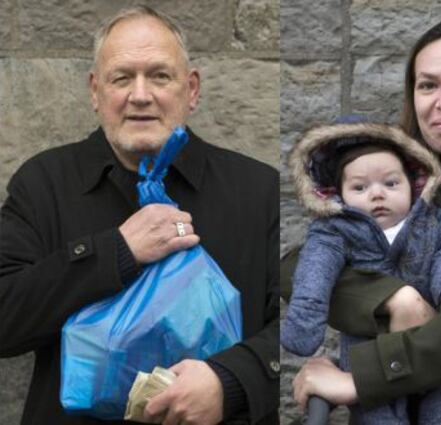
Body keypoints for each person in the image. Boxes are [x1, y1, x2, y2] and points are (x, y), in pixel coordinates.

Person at [0, 6, 279, 425]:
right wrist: (116, 251)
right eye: (122, 77)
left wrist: (231, 381)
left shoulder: (259, 191)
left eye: (160, 76)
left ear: (193, 88)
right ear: (95, 91)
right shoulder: (43, 184)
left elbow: (302, 327)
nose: (141, 95)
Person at [283, 14, 441, 424]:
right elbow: (298, 264)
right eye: (428, 85)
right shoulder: (387, 182)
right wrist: (389, 298)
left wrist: (359, 381)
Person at [281, 121, 441, 424]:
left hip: (436, 340)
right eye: (360, 187)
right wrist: (305, 322)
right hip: (370, 353)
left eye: (391, 183)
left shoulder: (433, 222)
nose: (377, 194)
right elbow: (312, 276)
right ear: (337, 195)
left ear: (415, 183)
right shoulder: (336, 233)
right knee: (378, 412)